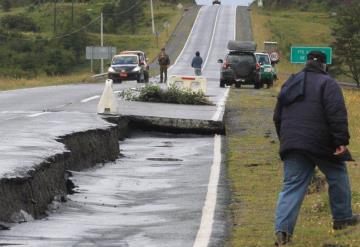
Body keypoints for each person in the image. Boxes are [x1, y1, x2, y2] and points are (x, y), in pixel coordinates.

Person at [273, 51, 359, 246]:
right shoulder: (327, 83)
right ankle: (342, 218)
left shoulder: (291, 82)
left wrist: (286, 140)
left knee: (292, 186)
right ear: (323, 64)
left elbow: (277, 116)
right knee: (337, 174)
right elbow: (336, 113)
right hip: (320, 143)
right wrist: (340, 141)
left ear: (307, 62)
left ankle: (282, 233)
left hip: (293, 142)